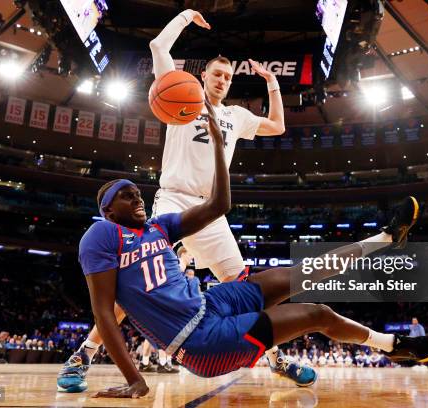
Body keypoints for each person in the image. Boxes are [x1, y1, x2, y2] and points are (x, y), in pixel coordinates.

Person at [78, 100, 428, 398]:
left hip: (211, 303)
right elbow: (106, 313)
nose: (136, 195)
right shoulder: (102, 236)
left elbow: (218, 205)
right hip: (201, 341)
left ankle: (385, 238)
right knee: (317, 313)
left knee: (302, 274)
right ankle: (393, 345)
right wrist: (133, 378)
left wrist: (220, 147)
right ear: (108, 211)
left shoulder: (160, 226)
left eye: (136, 191)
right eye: (125, 195)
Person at [57, 7, 290, 392]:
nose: (222, 80)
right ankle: (83, 354)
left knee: (247, 285)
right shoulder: (182, 94)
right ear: (202, 76)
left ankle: (277, 357)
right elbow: (156, 45)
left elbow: (277, 125)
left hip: (211, 211)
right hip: (173, 201)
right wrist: (185, 16)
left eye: (228, 77)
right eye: (217, 73)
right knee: (136, 274)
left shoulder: (236, 115)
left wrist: (271, 83)